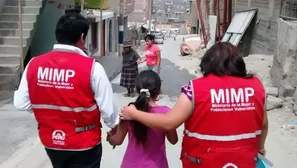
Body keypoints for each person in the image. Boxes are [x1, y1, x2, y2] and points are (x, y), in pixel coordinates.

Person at [120, 42, 269, 168]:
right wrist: (261, 147)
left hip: (202, 162)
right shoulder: (256, 87)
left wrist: (133, 114)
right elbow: (263, 125)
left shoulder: (195, 89)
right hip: (244, 161)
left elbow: (169, 122)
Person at [13, 9, 119, 168]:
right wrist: (115, 130)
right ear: (82, 38)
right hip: (85, 144)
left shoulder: (34, 64)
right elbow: (109, 113)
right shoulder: (92, 68)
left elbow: (21, 103)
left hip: (51, 142)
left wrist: (51, 114)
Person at [107, 70, 178, 168]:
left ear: (137, 89)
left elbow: (117, 140)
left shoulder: (129, 111)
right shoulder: (166, 113)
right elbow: (173, 140)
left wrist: (110, 137)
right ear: (158, 91)